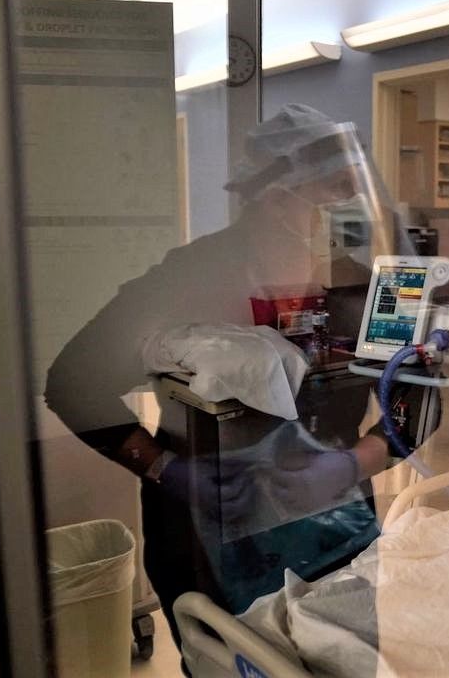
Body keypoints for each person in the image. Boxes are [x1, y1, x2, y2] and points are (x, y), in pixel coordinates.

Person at [43, 104, 401, 663]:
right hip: (209, 532)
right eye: (338, 186)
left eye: (357, 185)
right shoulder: (188, 279)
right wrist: (166, 468)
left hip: (334, 529)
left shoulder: (357, 282)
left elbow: (416, 392)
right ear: (277, 195)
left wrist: (353, 463)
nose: (353, 200)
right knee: (230, 663)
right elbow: (73, 382)